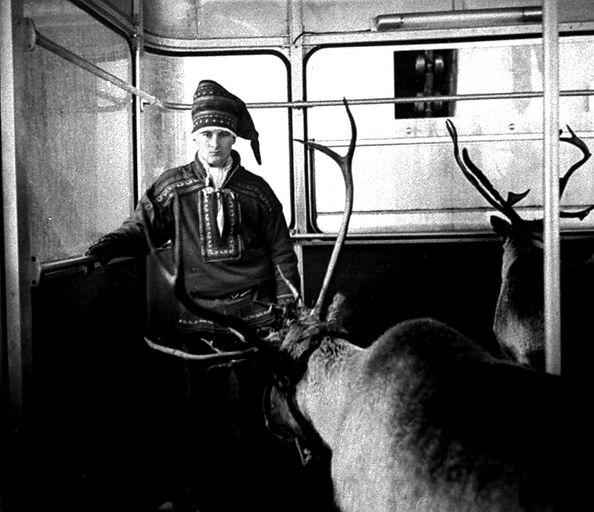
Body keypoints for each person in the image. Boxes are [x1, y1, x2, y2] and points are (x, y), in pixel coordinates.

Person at [87, 79, 303, 512]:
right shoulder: (173, 187)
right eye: (206, 135)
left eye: (223, 134)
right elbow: (142, 225)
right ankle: (205, 495)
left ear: (234, 137)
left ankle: (263, 496)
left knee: (259, 411)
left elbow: (282, 250)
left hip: (256, 318)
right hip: (199, 319)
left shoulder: (257, 191)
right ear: (194, 138)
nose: (215, 143)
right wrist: (110, 245)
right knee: (202, 413)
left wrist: (286, 306)